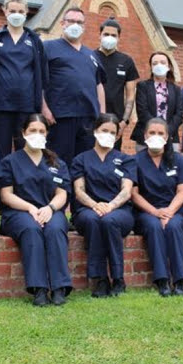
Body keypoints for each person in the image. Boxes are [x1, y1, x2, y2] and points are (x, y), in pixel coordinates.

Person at [0, 114, 72, 306]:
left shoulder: (56, 163)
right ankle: (39, 289)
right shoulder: (10, 162)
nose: (37, 134)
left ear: (47, 134)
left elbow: (62, 194)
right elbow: (6, 195)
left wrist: (50, 207)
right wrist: (30, 208)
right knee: (31, 229)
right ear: (23, 133)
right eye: (33, 130)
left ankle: (59, 287)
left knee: (55, 229)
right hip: (18, 213)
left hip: (51, 210)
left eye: (41, 131)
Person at [71, 113, 135, 297]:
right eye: (104, 130)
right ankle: (100, 279)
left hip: (119, 211)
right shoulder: (80, 159)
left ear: (117, 136)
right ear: (95, 131)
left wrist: (110, 206)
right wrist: (95, 205)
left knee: (109, 221)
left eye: (112, 132)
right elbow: (79, 190)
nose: (108, 134)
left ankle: (117, 278)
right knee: (92, 220)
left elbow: (126, 190)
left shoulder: (126, 160)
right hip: (87, 210)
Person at [132, 118, 183, 297]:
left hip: (174, 210)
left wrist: (169, 212)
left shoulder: (178, 160)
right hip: (147, 211)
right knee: (153, 226)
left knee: (174, 227)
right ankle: (162, 280)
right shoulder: (135, 161)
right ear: (144, 136)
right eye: (152, 133)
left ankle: (180, 280)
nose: (156, 136)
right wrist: (156, 212)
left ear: (167, 137)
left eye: (160, 134)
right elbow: (134, 193)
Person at [0, 0, 47, 158]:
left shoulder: (34, 41)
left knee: (26, 153)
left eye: (20, 10)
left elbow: (43, 75)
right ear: (4, 11)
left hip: (27, 107)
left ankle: (23, 184)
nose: (16, 14)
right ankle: (0, 184)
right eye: (12, 10)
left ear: (26, 12)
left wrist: (42, 106)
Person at [42, 6, 106, 166]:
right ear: (62, 23)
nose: (75, 25)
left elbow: (99, 85)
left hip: (88, 118)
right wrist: (44, 108)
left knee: (83, 163)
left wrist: (103, 115)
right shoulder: (48, 47)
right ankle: (60, 191)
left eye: (79, 22)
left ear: (84, 26)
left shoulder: (92, 55)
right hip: (60, 116)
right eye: (71, 21)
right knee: (58, 161)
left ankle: (79, 191)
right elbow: (39, 81)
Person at [94, 18, 139, 150]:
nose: (109, 37)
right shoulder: (89, 57)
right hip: (92, 119)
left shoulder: (126, 61)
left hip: (116, 121)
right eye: (106, 34)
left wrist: (124, 121)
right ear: (100, 35)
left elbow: (130, 96)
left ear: (119, 38)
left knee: (112, 157)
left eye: (113, 35)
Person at [131, 51, 182, 152]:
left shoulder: (176, 89)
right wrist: (154, 131)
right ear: (151, 67)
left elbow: (179, 114)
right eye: (155, 63)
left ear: (169, 66)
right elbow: (142, 111)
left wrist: (166, 131)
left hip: (170, 137)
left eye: (163, 62)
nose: (159, 65)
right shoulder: (143, 86)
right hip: (146, 137)